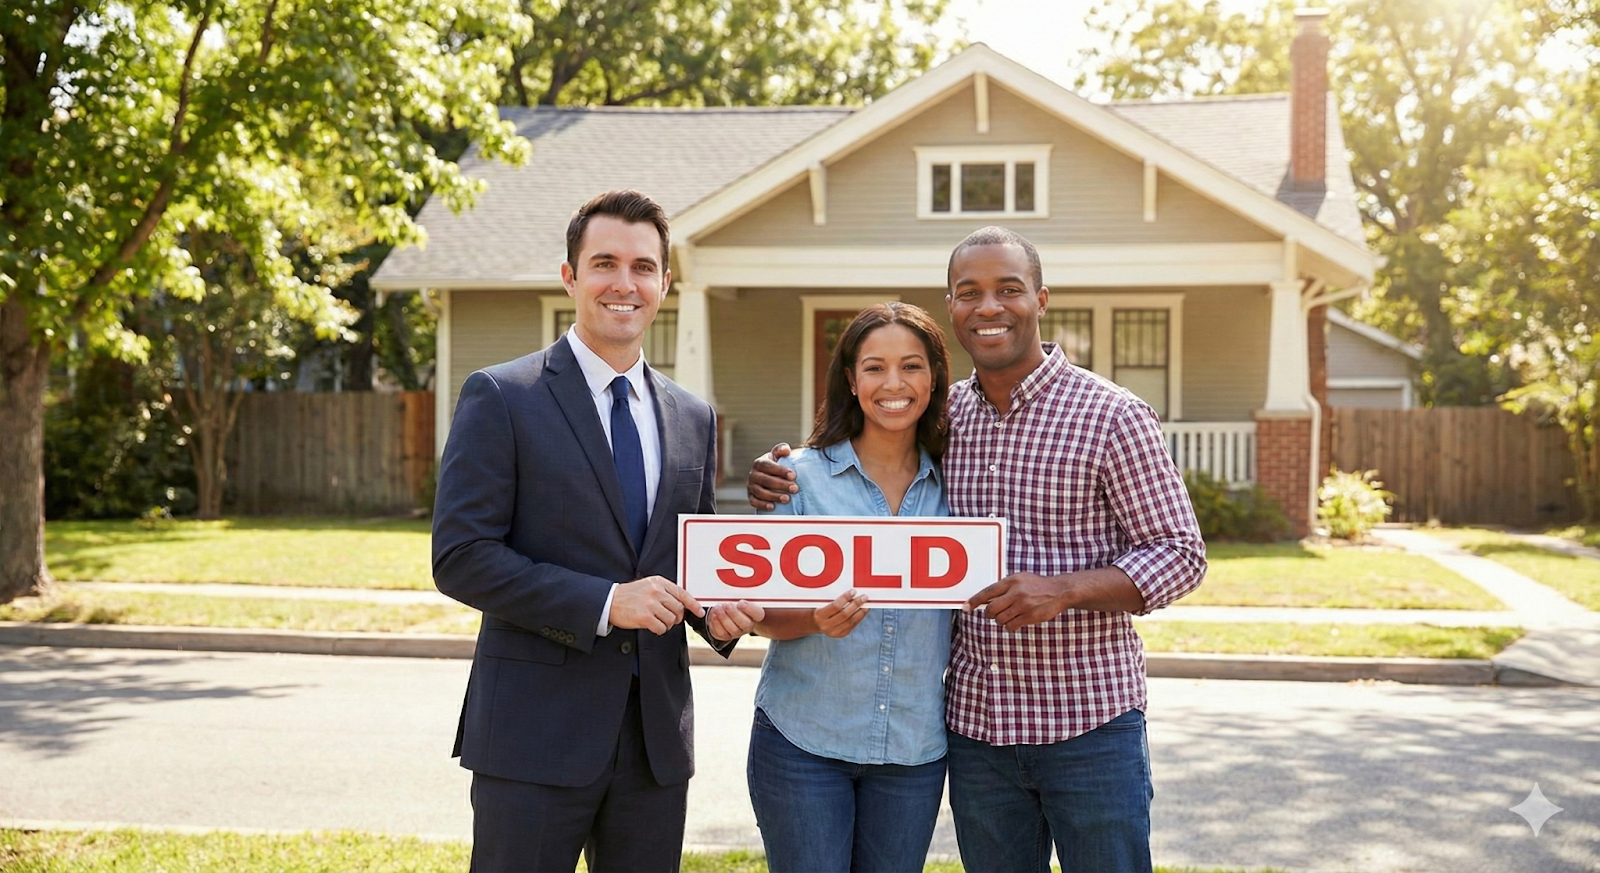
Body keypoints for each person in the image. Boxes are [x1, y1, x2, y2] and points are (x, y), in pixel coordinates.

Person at [749, 227, 1207, 873]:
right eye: (970, 293)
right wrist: (777, 472)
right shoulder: (942, 417)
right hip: (977, 732)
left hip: (1088, 724)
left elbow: (1181, 552)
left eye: (1008, 289)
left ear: (1040, 298)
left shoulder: (1113, 414)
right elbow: (860, 463)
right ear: (953, 309)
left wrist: (1066, 588)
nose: (989, 306)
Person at [433, 189, 763, 873]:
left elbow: (689, 564)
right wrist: (608, 602)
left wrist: (722, 615)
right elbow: (462, 557)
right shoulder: (502, 396)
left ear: (665, 284)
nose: (624, 282)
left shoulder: (692, 416)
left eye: (644, 267)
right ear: (570, 276)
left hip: (654, 744)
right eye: (605, 262)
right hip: (532, 736)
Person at [745, 303, 955, 873]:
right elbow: (760, 611)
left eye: (911, 366)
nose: (893, 384)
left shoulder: (959, 489)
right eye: (874, 368)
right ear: (850, 380)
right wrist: (813, 618)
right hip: (803, 740)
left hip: (913, 748)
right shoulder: (798, 479)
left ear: (934, 378)